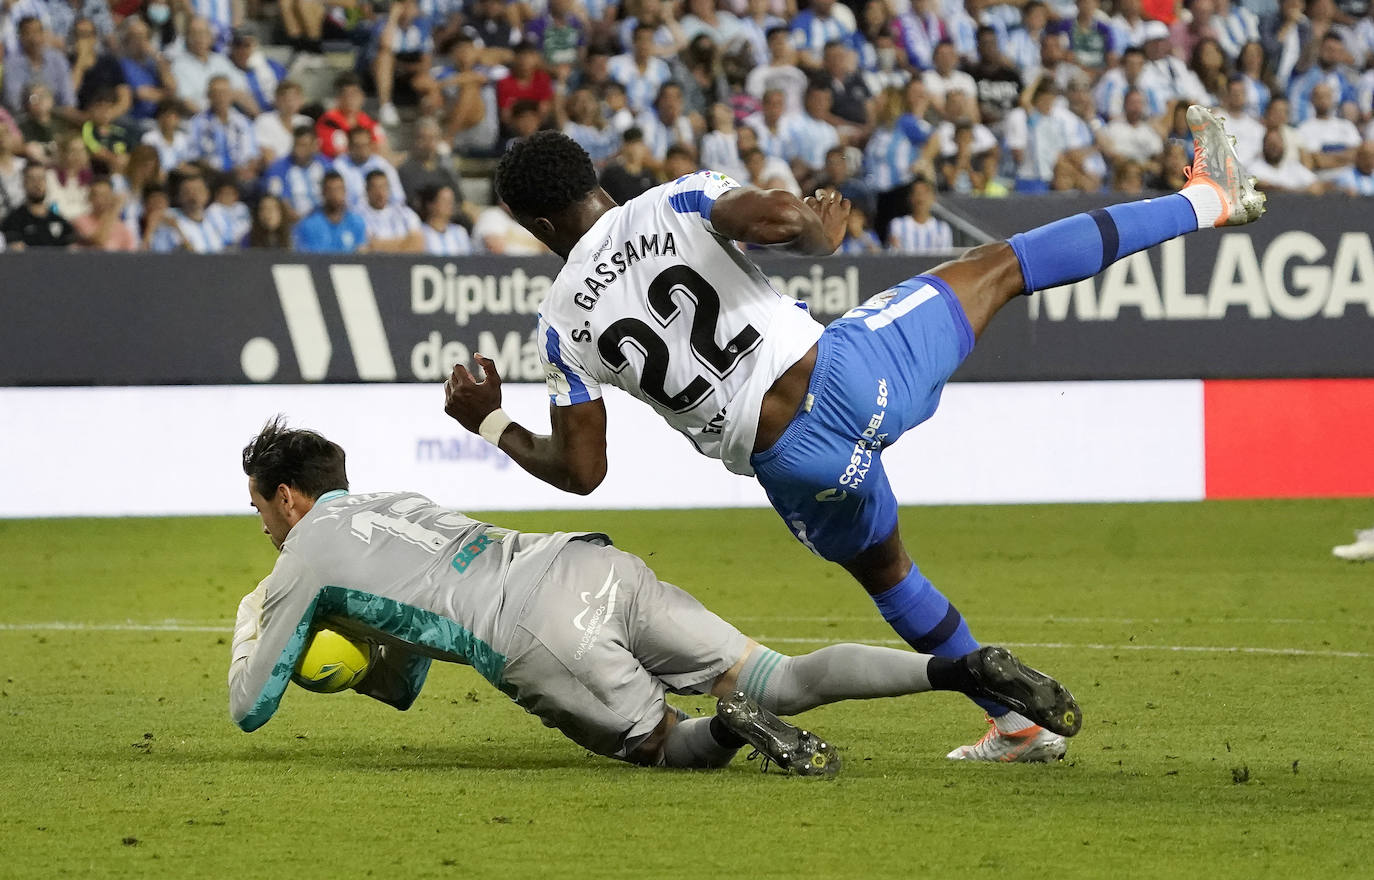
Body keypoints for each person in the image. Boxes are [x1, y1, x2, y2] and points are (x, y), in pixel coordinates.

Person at [441, 107, 1266, 763]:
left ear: (530, 220)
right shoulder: (670, 200)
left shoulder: (561, 325)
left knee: (890, 574)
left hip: (797, 466)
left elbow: (582, 472)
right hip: (850, 374)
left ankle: (1016, 724)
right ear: (592, 179)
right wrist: (813, 233)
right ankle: (1207, 198)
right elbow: (769, 214)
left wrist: (489, 419)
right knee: (1006, 265)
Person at [229, 417, 1081, 772]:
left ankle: (729, 733)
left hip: (528, 629)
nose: (264, 525)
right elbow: (405, 680)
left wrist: (257, 629)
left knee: (663, 743)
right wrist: (362, 659)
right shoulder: (397, 503)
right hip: (585, 565)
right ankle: (960, 670)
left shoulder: (302, 558)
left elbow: (247, 706)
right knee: (776, 672)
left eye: (262, 506)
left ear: (289, 498)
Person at [0, 160, 77, 248]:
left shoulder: (60, 221)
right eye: (32, 179)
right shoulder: (13, 222)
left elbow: (71, 251)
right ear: (24, 183)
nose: (37, 184)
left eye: (41, 178)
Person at [292, 170, 367, 252]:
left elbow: (361, 254)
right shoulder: (308, 225)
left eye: (339, 189)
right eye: (331, 190)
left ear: (345, 191)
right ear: (323, 193)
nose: (335, 195)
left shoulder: (357, 222)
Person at [359, 168, 424, 252]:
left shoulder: (405, 213)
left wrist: (380, 244)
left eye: (383, 187)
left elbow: (418, 243)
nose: (380, 193)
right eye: (375, 188)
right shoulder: (359, 216)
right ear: (367, 190)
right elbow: (368, 247)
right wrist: (405, 242)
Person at [887, 176, 953, 253]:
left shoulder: (943, 229)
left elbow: (945, 259)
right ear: (910, 198)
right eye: (917, 193)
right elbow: (894, 257)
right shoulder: (897, 225)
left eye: (925, 193)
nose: (921, 198)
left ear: (933, 198)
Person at [71, 174, 136, 250]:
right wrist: (114, 210)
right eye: (96, 195)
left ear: (111, 197)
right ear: (89, 198)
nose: (101, 200)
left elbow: (132, 256)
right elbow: (98, 242)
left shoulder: (122, 228)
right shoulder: (79, 222)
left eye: (105, 195)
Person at [418, 183, 473, 255]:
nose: (450, 205)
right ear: (430, 204)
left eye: (451, 201)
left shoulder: (460, 231)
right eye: (444, 200)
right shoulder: (419, 232)